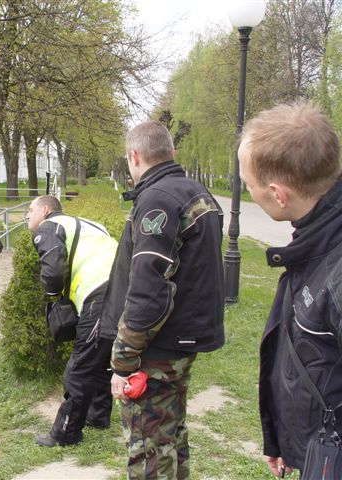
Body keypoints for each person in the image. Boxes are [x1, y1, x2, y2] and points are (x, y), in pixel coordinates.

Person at [106, 120, 225, 479]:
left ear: (134, 156)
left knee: (149, 451)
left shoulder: (158, 199)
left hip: (154, 350)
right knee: (170, 439)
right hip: (180, 344)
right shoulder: (196, 192)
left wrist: (123, 359)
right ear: (171, 153)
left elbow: (149, 290)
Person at [238, 101, 342, 477]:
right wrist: (287, 441)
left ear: (278, 194)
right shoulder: (315, 242)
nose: (249, 191)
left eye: (248, 185)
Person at [26, 195, 119, 447]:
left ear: (45, 211)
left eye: (30, 210)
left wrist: (52, 296)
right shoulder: (91, 224)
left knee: (79, 367)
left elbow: (54, 272)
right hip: (123, 290)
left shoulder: (49, 227)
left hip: (97, 295)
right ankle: (98, 416)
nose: (26, 215)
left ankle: (66, 432)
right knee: (99, 359)